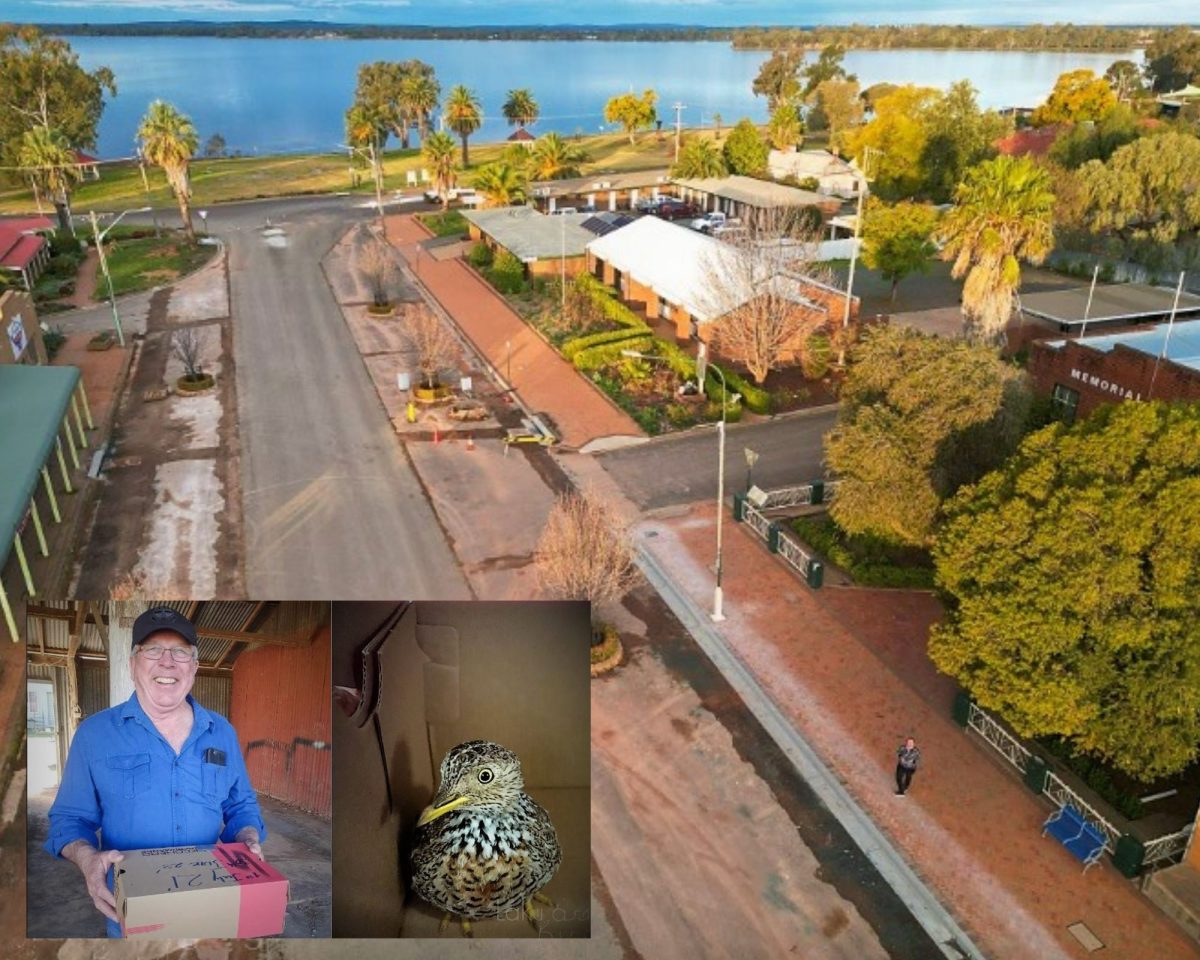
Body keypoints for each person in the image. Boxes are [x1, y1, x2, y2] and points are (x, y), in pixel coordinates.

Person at [45, 606, 267, 938]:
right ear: (133, 664)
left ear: (193, 666)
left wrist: (248, 837)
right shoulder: (94, 735)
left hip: (212, 908)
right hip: (135, 915)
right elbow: (69, 820)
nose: (167, 662)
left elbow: (241, 804)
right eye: (153, 650)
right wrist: (87, 858)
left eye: (180, 652)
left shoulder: (222, 732)